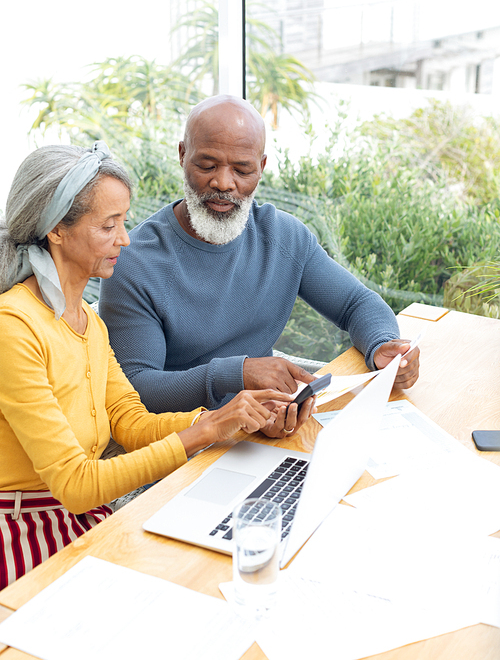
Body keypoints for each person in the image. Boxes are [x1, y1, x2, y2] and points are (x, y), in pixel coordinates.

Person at [0, 141, 306, 590]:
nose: (125, 239)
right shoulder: (14, 329)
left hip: (82, 521)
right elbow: (76, 484)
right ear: (57, 231)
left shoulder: (87, 321)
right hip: (23, 534)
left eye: (123, 222)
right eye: (109, 226)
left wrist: (223, 421)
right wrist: (202, 432)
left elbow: (131, 422)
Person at [99, 95, 419, 427]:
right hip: (182, 445)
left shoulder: (283, 236)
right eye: (207, 165)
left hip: (260, 428)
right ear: (182, 156)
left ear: (261, 168)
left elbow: (357, 302)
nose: (223, 183)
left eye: (242, 169)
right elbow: (136, 387)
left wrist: (382, 345)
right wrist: (236, 374)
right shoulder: (134, 261)